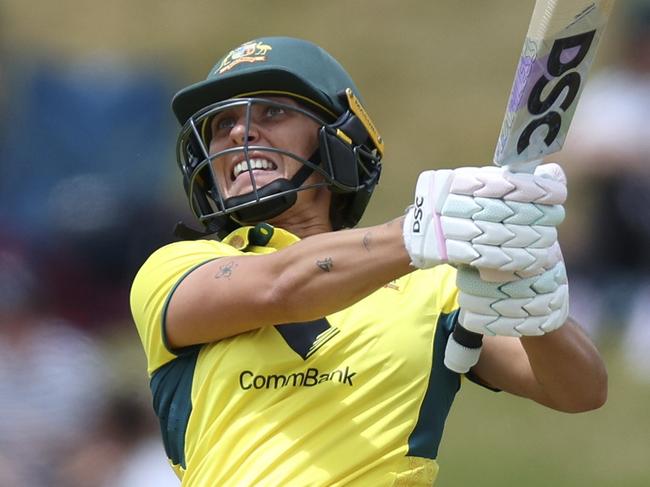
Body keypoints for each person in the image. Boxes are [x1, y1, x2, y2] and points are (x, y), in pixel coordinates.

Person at [130, 37, 607, 486]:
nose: (238, 133)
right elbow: (281, 287)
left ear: (340, 137)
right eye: (220, 126)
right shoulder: (176, 268)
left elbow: (580, 391)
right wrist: (424, 228)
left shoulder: (438, 287)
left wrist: (531, 284)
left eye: (272, 111)